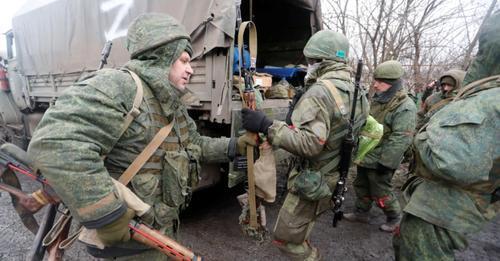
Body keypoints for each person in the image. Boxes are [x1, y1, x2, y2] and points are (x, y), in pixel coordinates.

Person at [27, 13, 253, 259]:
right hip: (130, 243)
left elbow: (194, 145)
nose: (190, 69)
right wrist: (107, 215)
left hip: (161, 234)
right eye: (184, 59)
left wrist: (234, 146)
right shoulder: (120, 86)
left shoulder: (170, 103)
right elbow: (53, 145)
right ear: (163, 56)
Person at [241, 30, 369, 260]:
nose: (307, 65)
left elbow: (310, 144)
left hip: (314, 177)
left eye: (310, 61)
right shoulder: (357, 91)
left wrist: (267, 126)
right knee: (303, 226)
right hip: (333, 174)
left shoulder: (321, 92)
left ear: (321, 61)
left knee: (286, 238)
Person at [393, 10, 500, 261]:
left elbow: (454, 160)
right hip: (432, 196)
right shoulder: (441, 99)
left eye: (451, 85)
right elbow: (423, 117)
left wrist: (423, 137)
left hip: (448, 208)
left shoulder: (485, 102)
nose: (446, 88)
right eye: (444, 84)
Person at [344, 60, 417, 233]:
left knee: (381, 190)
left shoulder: (405, 107)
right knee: (361, 184)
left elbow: (401, 137)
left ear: (393, 84)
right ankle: (361, 212)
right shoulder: (379, 100)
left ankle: (394, 217)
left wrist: (387, 162)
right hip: (367, 153)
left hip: (382, 158)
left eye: (380, 82)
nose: (375, 85)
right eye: (375, 80)